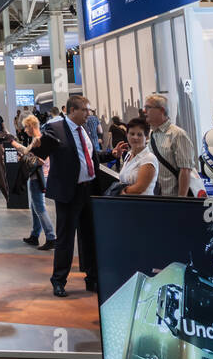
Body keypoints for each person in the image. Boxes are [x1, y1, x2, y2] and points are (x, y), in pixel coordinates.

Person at [37, 96, 99, 297]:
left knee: (90, 236)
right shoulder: (55, 129)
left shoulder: (86, 129)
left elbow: (89, 157)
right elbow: (39, 153)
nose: (88, 114)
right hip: (68, 193)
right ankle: (58, 281)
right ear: (72, 110)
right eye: (85, 110)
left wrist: (112, 154)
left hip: (88, 190)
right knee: (65, 239)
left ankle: (92, 278)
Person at [10, 115, 55, 249]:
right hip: (38, 177)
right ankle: (35, 235)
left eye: (25, 127)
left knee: (39, 208)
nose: (24, 130)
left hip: (38, 178)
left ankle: (51, 237)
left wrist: (15, 145)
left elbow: (32, 157)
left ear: (31, 126)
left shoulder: (38, 140)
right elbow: (29, 154)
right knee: (35, 207)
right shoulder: (38, 139)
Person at [143, 94, 197, 197]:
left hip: (173, 199)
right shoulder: (152, 134)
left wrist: (181, 200)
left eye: (148, 107)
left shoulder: (178, 134)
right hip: (156, 197)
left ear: (162, 110)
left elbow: (185, 169)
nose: (144, 111)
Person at [114, 117, 159, 196]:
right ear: (127, 135)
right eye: (132, 134)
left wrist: (119, 191)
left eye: (139, 134)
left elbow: (139, 189)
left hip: (141, 205)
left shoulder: (149, 158)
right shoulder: (128, 155)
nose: (135, 137)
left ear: (147, 137)